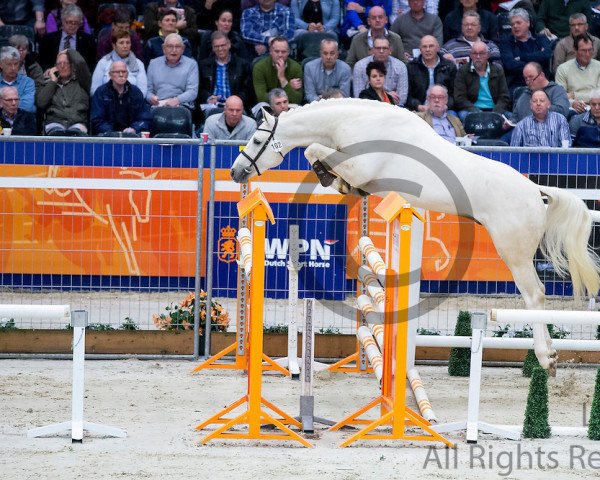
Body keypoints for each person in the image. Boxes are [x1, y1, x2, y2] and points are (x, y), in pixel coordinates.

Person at [36, 49, 91, 135]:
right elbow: (41, 103)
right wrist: (53, 81)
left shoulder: (82, 81)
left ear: (72, 66)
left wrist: (68, 50)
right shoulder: (48, 83)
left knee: (76, 134)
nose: (62, 66)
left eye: (66, 63)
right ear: (54, 67)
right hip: (54, 124)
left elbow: (80, 62)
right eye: (59, 63)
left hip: (77, 123)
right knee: (57, 134)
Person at [453, 41, 510, 121]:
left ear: (488, 55)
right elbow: (459, 98)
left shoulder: (498, 69)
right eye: (475, 53)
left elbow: (504, 97)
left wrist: (496, 112)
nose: (478, 57)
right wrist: (475, 111)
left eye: (482, 53)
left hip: (494, 109)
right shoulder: (463, 71)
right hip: (471, 109)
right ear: (471, 55)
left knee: (511, 118)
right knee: (464, 116)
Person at [91, 61, 151, 136]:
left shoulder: (136, 92)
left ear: (127, 74)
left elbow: (144, 118)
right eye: (117, 72)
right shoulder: (101, 92)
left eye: (124, 71)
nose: (121, 74)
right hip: (107, 136)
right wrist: (114, 133)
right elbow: (97, 120)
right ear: (110, 75)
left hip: (132, 136)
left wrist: (134, 128)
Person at [499, 8, 552, 93]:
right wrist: (537, 62)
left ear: (528, 23)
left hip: (542, 83)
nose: (515, 26)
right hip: (518, 84)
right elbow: (510, 64)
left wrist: (522, 57)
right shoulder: (506, 42)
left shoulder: (540, 38)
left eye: (518, 23)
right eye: (512, 24)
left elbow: (546, 55)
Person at [198, 31, 253, 113]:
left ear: (229, 45)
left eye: (223, 45)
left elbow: (248, 90)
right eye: (216, 46)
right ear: (213, 48)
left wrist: (235, 100)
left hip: (235, 104)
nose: (220, 49)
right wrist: (209, 97)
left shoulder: (242, 65)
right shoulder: (203, 65)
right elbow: (199, 88)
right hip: (212, 105)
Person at [505, 62, 570, 126]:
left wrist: (541, 108)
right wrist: (510, 122)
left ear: (542, 75)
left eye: (531, 77)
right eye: (526, 78)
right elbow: (515, 116)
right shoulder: (525, 94)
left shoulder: (556, 90)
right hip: (522, 131)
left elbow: (562, 112)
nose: (528, 82)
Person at [146, 33, 199, 111]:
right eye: (170, 46)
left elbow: (192, 91)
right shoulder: (153, 63)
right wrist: (151, 97)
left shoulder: (191, 64)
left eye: (177, 46)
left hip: (182, 105)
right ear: (163, 48)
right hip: (159, 105)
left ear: (183, 49)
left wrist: (176, 100)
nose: (174, 50)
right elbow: (147, 90)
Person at [406, 35, 456, 111]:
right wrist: (418, 106)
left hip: (445, 109)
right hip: (419, 109)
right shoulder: (411, 67)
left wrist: (446, 106)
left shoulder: (449, 66)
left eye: (431, 46)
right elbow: (407, 94)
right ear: (420, 49)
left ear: (438, 48)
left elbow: (455, 94)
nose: (428, 49)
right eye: (424, 47)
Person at [352, 36, 408, 105]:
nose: (381, 51)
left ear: (390, 50)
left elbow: (402, 98)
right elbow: (359, 97)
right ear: (372, 50)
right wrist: (386, 96)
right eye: (378, 48)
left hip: (395, 109)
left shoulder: (400, 66)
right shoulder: (360, 66)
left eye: (385, 48)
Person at [38, 4, 95, 71]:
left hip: (78, 76)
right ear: (62, 21)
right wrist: (47, 70)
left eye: (76, 23)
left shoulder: (88, 40)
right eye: (69, 22)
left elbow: (92, 64)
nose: (72, 26)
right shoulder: (48, 39)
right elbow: (42, 61)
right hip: (54, 73)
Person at [91, 30, 147, 97]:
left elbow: (143, 91)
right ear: (114, 45)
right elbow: (94, 90)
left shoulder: (138, 64)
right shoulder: (103, 62)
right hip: (107, 103)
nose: (125, 46)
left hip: (131, 104)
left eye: (128, 42)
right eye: (121, 43)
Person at [555, 34, 600, 117]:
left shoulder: (599, 66)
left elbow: (599, 94)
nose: (587, 54)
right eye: (583, 50)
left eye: (590, 50)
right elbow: (560, 97)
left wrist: (574, 95)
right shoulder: (563, 69)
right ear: (575, 51)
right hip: (574, 109)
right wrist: (572, 103)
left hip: (597, 107)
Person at [252, 36, 303, 105]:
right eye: (276, 51)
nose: (280, 55)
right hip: (268, 105)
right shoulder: (259, 67)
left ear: (288, 52)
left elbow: (297, 99)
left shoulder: (296, 68)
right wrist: (287, 86)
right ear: (270, 51)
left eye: (283, 52)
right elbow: (261, 97)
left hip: (288, 105)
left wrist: (283, 79)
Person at [0, 46, 35, 113]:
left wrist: (3, 104)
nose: (13, 68)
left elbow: (27, 107)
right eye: (9, 64)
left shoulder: (28, 82)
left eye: (16, 64)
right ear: (1, 65)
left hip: (22, 120)